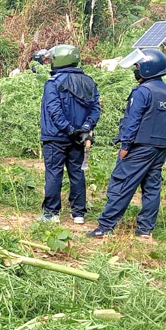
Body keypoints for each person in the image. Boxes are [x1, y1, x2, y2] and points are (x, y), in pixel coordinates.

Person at [89, 48, 166, 239]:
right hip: (161, 147)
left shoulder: (143, 91)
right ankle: (145, 230)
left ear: (147, 68)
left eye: (137, 66)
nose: (135, 70)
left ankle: (105, 227)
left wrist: (125, 146)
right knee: (152, 187)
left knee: (122, 183)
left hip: (139, 147)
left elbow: (133, 120)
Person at [38, 44, 101, 224]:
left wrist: (70, 130)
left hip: (55, 137)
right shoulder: (89, 81)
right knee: (77, 173)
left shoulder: (53, 83)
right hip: (80, 138)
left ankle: (51, 214)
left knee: (54, 173)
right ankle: (79, 213)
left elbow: (54, 111)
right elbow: (95, 108)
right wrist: (85, 128)